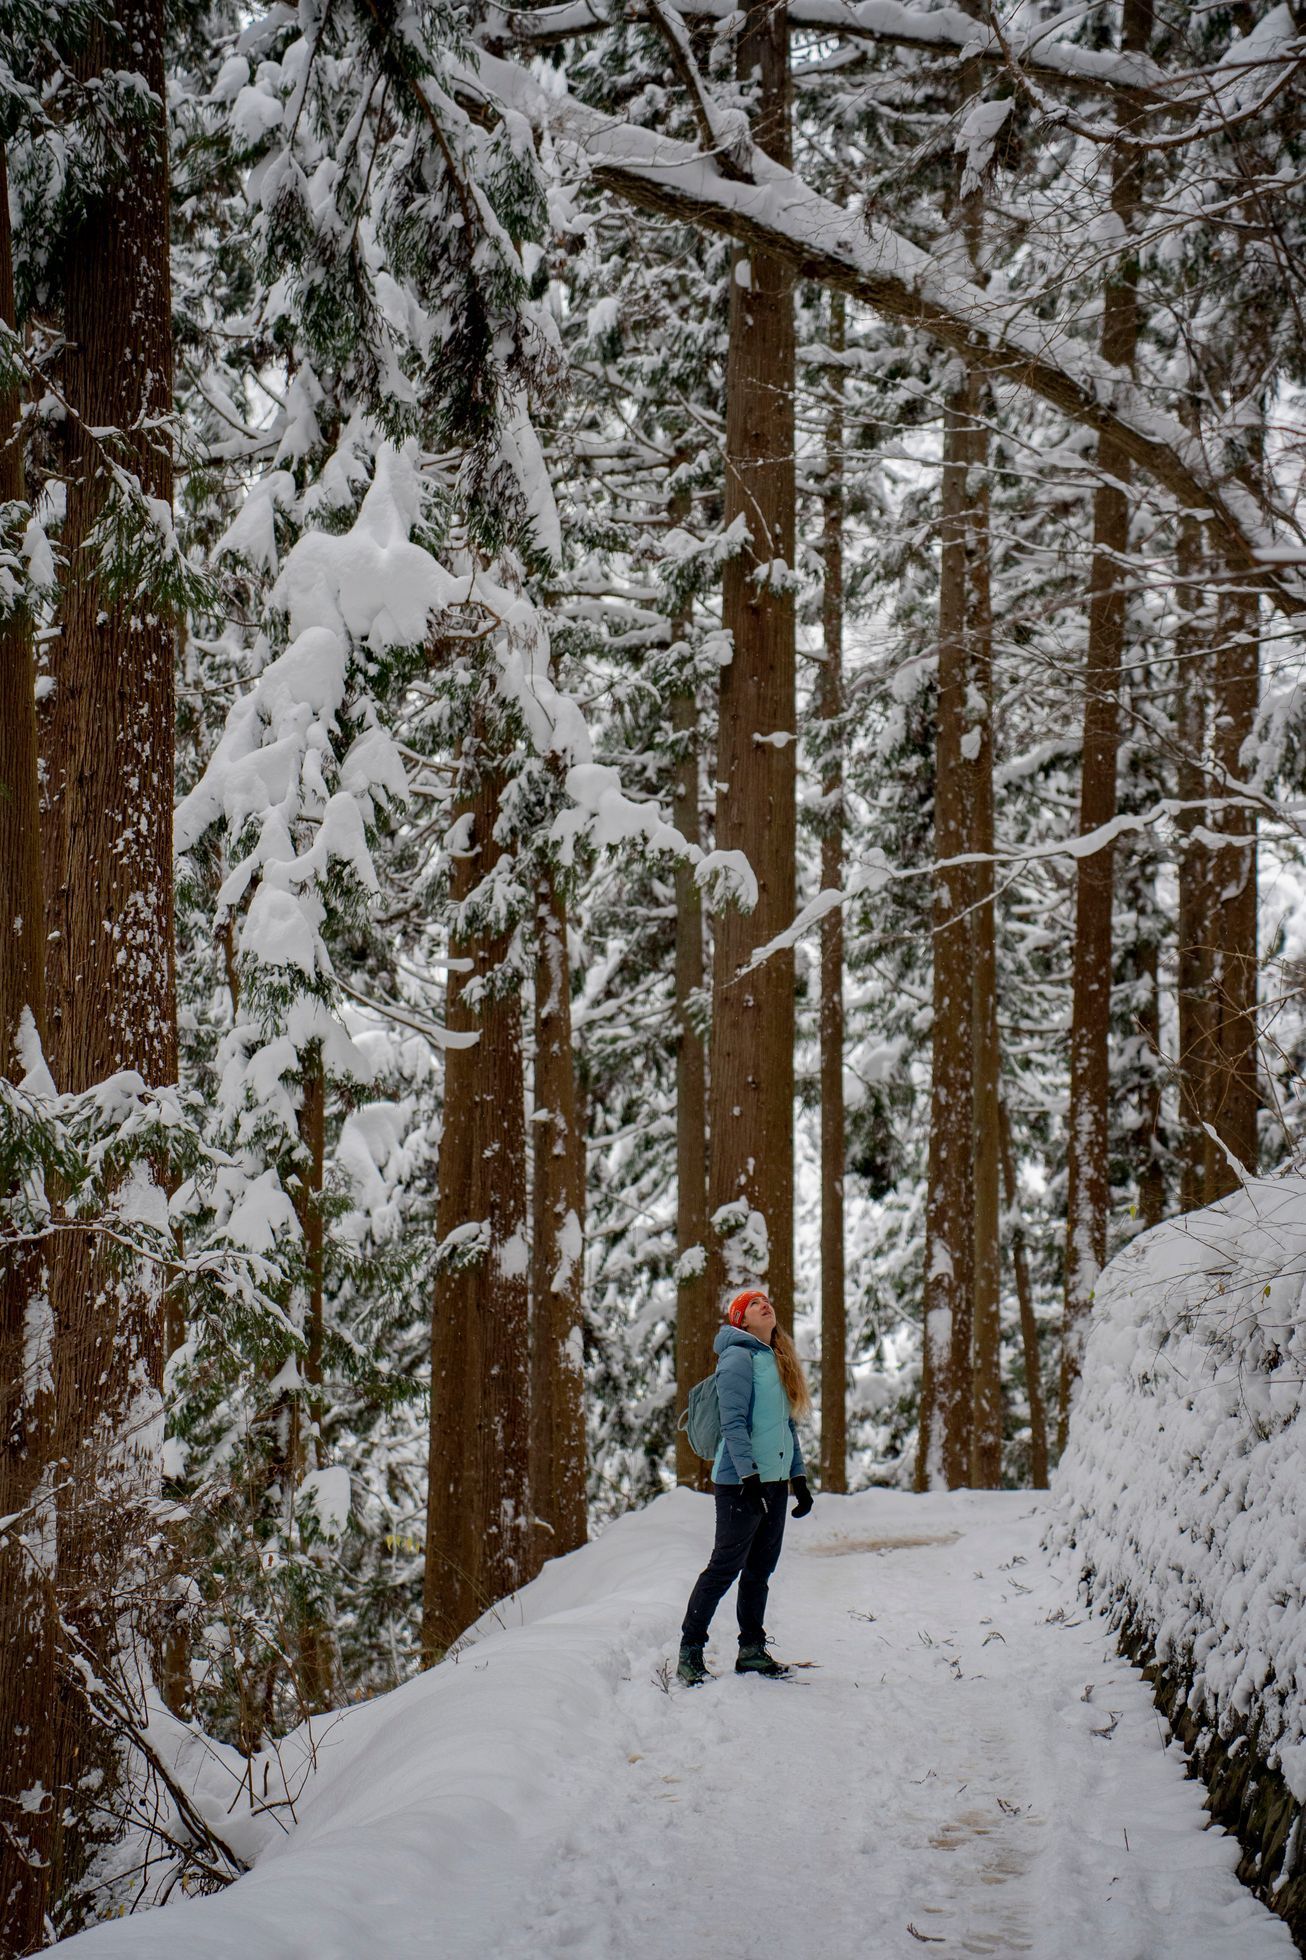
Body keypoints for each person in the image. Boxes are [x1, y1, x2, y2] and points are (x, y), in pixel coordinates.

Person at [677, 1287, 814, 1684]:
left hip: (772, 1482)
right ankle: (690, 1651)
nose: (764, 1304)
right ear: (741, 1320)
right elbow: (733, 1423)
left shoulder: (777, 1358)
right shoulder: (737, 1358)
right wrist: (748, 1476)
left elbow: (785, 1426)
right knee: (724, 1569)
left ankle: (751, 1650)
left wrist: (799, 1478)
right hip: (739, 1483)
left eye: (766, 1300)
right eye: (753, 1304)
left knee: (759, 1571)